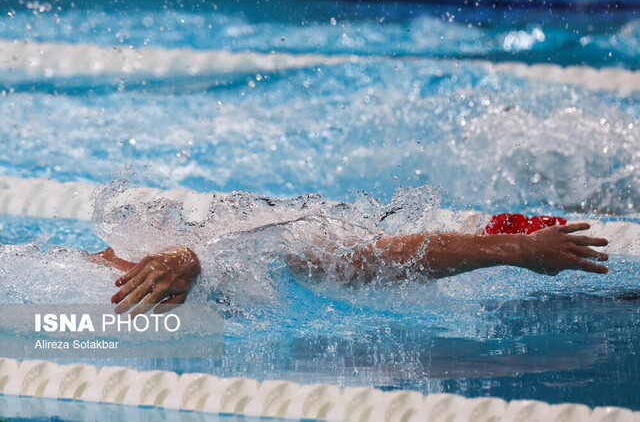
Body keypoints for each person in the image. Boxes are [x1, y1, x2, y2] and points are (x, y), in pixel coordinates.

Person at [95, 218, 609, 317]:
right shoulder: (88, 284)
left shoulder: (267, 255)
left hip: (509, 238)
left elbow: (381, 258)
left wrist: (523, 251)